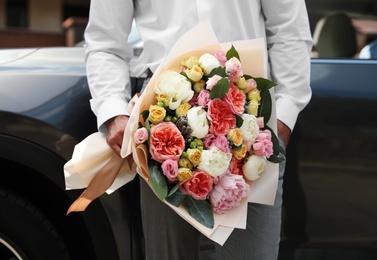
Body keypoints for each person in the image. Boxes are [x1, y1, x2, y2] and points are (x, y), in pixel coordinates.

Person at [84, 1, 312, 259]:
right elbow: (105, 41)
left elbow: (289, 31)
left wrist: (285, 111)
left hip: (248, 125)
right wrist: (114, 110)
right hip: (161, 126)